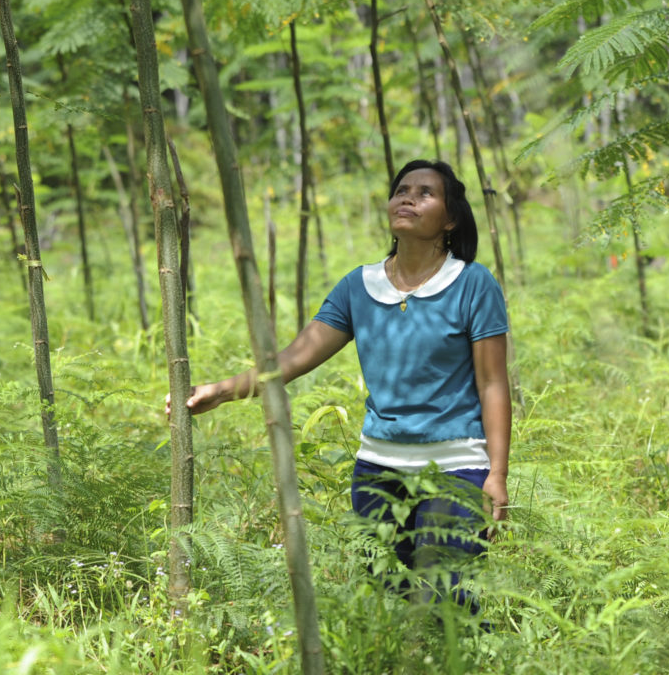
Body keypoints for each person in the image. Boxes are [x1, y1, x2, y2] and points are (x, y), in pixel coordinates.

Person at [182, 159, 511, 602]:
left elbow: (493, 384)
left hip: (456, 469)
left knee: (449, 602)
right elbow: (295, 357)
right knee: (388, 605)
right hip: (377, 471)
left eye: (425, 193)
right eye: (401, 190)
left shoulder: (473, 283)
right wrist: (221, 391)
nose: (408, 198)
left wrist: (497, 474)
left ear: (450, 218)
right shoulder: (360, 286)